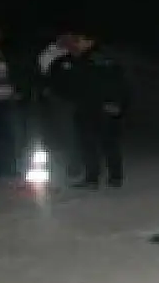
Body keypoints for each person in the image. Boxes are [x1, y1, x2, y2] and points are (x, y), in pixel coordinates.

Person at [66, 29, 128, 189]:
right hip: (106, 106)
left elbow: (94, 83)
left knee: (90, 143)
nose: (76, 44)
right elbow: (120, 81)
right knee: (109, 142)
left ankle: (92, 178)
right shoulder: (108, 57)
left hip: (92, 106)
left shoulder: (87, 59)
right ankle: (115, 177)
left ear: (89, 41)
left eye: (79, 40)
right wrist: (117, 102)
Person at [38, 33, 83, 180]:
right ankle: (72, 165)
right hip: (62, 100)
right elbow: (47, 76)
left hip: (79, 99)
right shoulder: (52, 56)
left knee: (79, 132)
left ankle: (80, 164)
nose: (74, 42)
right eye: (70, 39)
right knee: (67, 132)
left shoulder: (76, 56)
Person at [0, 23, 20, 182]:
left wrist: (15, 90)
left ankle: (9, 168)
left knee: (8, 137)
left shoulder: (5, 53)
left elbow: (14, 73)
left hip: (5, 101)